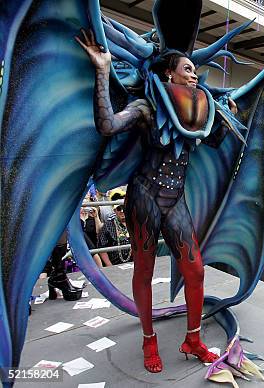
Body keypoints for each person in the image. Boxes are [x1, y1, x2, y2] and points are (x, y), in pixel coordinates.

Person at [77, 31, 223, 372]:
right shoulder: (147, 106)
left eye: (195, 70)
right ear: (168, 73)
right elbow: (108, 125)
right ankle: (148, 340)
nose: (193, 74)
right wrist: (102, 70)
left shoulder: (196, 108)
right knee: (144, 270)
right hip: (144, 198)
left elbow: (213, 141)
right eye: (187, 69)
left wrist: (223, 114)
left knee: (196, 270)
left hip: (176, 201)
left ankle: (193, 338)